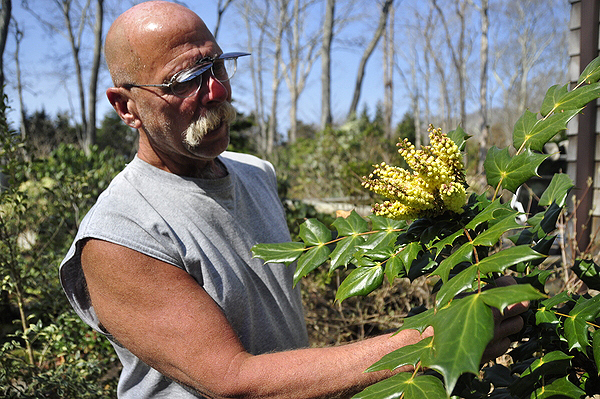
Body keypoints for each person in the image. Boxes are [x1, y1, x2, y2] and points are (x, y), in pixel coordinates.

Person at [59, 2, 526, 398]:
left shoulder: (256, 173)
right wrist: (434, 342)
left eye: (217, 66)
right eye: (185, 81)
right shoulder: (120, 237)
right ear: (126, 107)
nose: (217, 91)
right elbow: (233, 379)